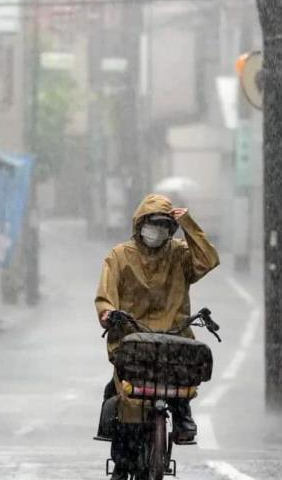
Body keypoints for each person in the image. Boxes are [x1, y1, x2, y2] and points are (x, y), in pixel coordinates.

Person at [94, 193, 220, 478]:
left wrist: (188, 222)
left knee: (183, 381)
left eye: (165, 225)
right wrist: (108, 314)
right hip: (132, 342)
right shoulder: (119, 257)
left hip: (174, 344)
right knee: (124, 402)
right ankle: (122, 462)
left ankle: (182, 412)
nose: (158, 230)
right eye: (153, 224)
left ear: (171, 229)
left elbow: (209, 259)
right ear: (139, 224)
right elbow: (105, 297)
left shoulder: (179, 255)